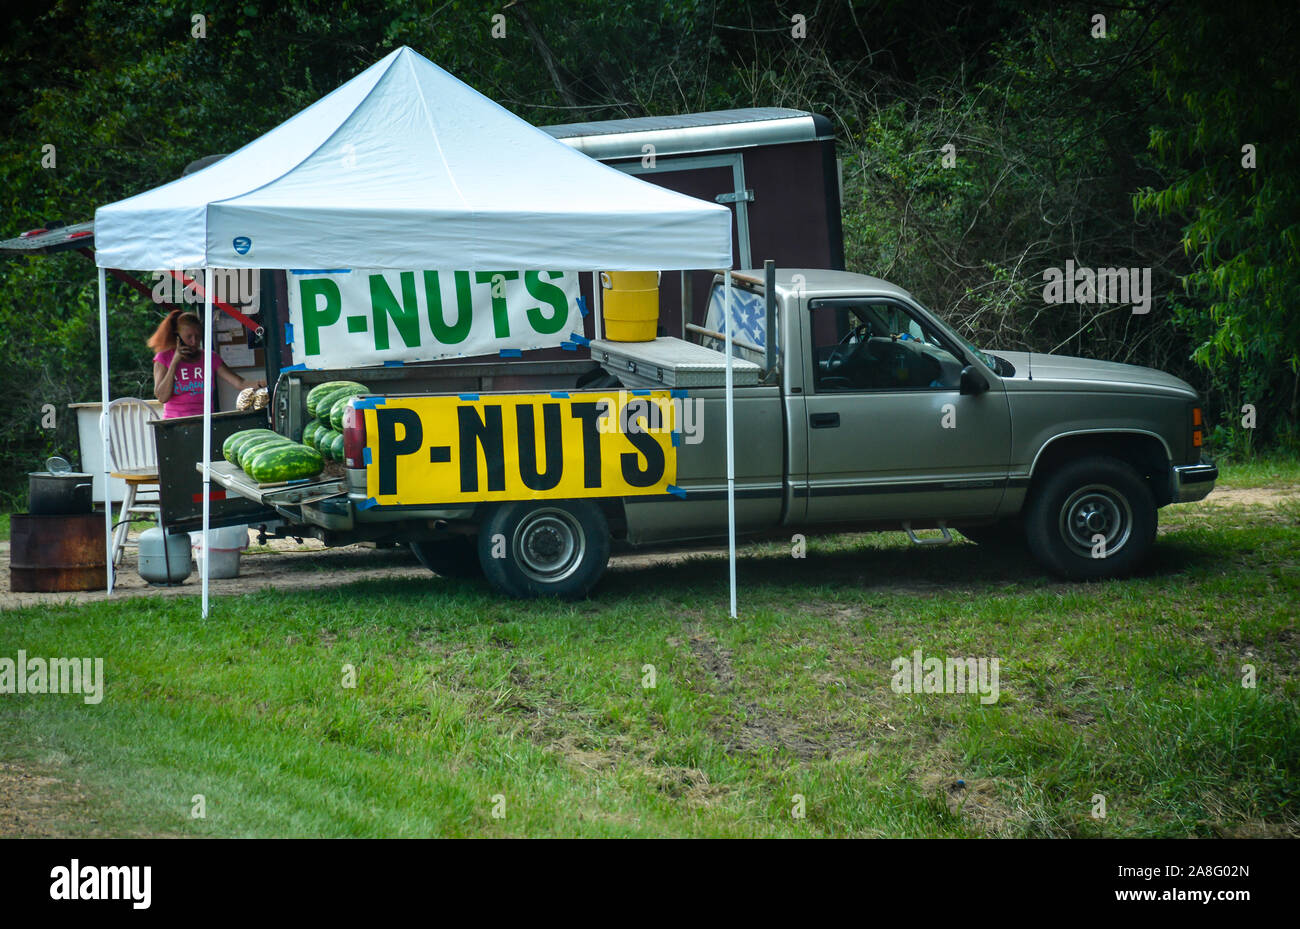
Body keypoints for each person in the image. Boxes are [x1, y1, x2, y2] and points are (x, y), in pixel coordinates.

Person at [149, 310, 264, 418]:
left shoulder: (210, 357)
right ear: (177, 336)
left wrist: (264, 383)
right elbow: (162, 397)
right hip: (175, 422)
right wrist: (174, 362)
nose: (194, 342)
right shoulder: (163, 358)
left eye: (198, 336)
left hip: (206, 421)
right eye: (189, 337)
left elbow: (240, 383)